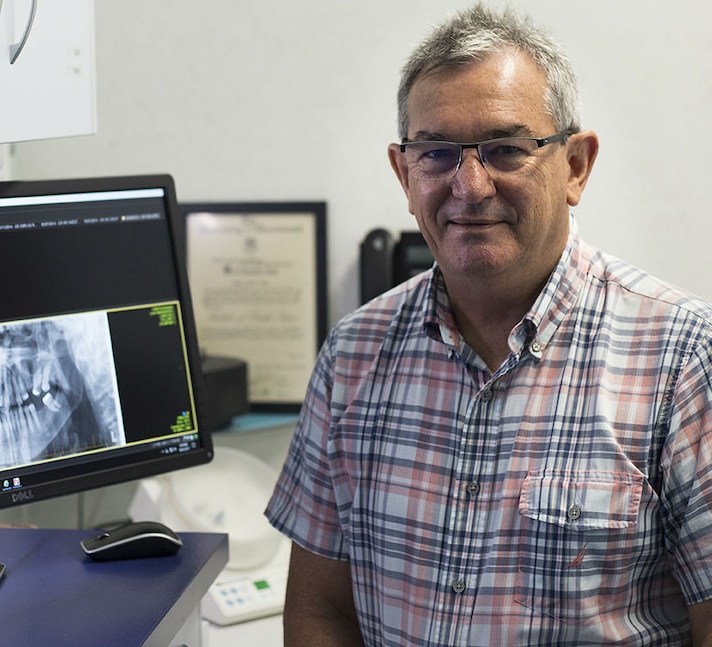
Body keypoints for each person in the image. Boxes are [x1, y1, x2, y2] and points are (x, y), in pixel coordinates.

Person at [264, 4, 712, 645]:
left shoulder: (686, 356)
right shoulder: (352, 355)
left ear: (576, 166)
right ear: (403, 171)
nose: (469, 186)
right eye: (437, 153)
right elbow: (320, 612)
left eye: (506, 149)